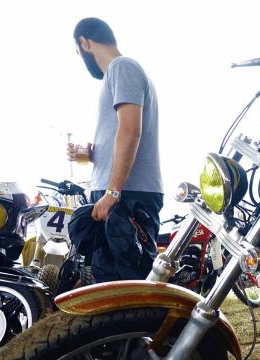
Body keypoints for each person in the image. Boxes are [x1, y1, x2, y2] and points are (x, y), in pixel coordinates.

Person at [67, 17, 163, 282]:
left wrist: (112, 192)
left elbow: (131, 130)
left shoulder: (122, 67)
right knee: (110, 283)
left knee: (127, 288)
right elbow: (123, 134)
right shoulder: (117, 74)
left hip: (126, 196)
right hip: (118, 194)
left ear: (84, 43)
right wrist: (91, 153)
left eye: (78, 51)